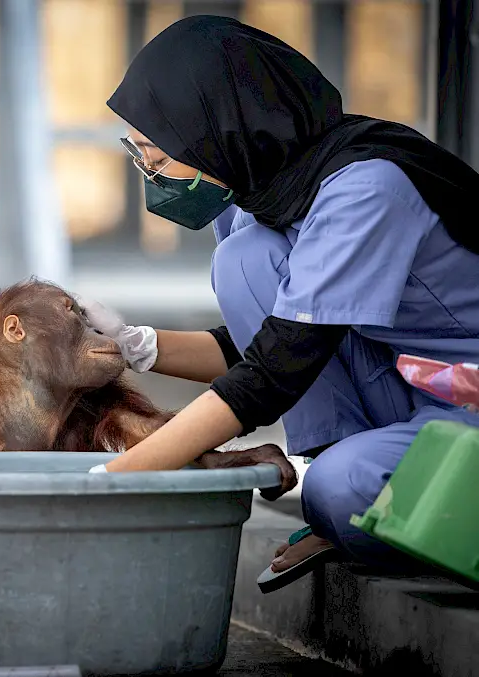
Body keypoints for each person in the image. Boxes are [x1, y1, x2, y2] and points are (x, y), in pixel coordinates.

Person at [78, 15, 479, 591]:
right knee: (246, 256)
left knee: (341, 491)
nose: (151, 176)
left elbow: (274, 371)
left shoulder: (365, 189)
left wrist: (113, 481)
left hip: (468, 400)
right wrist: (133, 347)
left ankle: (350, 508)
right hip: (410, 383)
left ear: (215, 130)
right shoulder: (263, 199)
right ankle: (344, 494)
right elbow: (273, 342)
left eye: (157, 157)